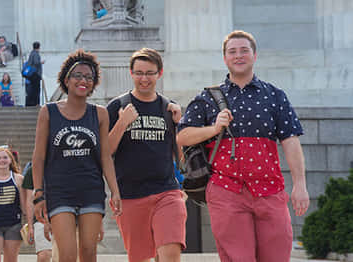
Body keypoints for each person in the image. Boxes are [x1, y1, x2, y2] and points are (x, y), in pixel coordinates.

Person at [176, 30, 308, 262]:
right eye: (232, 51)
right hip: (226, 190)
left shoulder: (275, 95)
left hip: (270, 190)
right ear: (225, 58)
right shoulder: (207, 97)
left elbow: (291, 140)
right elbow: (183, 136)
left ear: (254, 55)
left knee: (277, 256)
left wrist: (300, 185)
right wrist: (214, 129)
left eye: (244, 50)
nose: (238, 56)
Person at [31, 49, 122, 262]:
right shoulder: (48, 112)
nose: (84, 81)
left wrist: (115, 191)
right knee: (67, 255)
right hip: (59, 191)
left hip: (91, 189)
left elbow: (105, 156)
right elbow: (39, 157)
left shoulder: (99, 113)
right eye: (78, 75)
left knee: (89, 253)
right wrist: (38, 194)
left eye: (89, 77)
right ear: (66, 79)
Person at [105, 47, 186, 262]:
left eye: (150, 73)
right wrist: (122, 123)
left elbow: (182, 156)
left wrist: (180, 126)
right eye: (139, 73)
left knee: (170, 253)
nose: (144, 78)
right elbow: (105, 152)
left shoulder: (169, 108)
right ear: (131, 73)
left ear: (159, 73)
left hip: (166, 191)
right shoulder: (117, 106)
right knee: (140, 258)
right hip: (130, 194)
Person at [20, 162, 53, 262]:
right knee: (44, 255)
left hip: (64, 215)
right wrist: (30, 226)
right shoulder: (32, 170)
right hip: (40, 219)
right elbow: (29, 200)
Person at [24, 41, 44, 107]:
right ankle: (36, 103)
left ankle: (31, 103)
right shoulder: (36, 54)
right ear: (39, 47)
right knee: (36, 89)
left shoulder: (31, 53)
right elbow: (36, 62)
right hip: (35, 74)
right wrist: (41, 62)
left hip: (31, 74)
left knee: (32, 89)